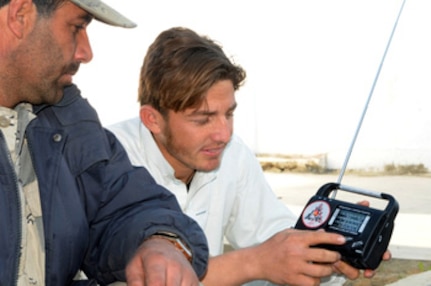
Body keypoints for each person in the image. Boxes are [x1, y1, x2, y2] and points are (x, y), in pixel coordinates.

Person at [108, 27, 392, 286]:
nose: (223, 133)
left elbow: (272, 236)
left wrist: (326, 249)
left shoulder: (231, 153)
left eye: (228, 113)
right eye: (203, 119)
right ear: (152, 120)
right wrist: (255, 262)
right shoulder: (104, 160)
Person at [0, 1, 209, 286]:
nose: (86, 53)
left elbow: (120, 205)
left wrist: (160, 243)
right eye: (77, 27)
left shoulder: (65, 118)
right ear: (20, 16)